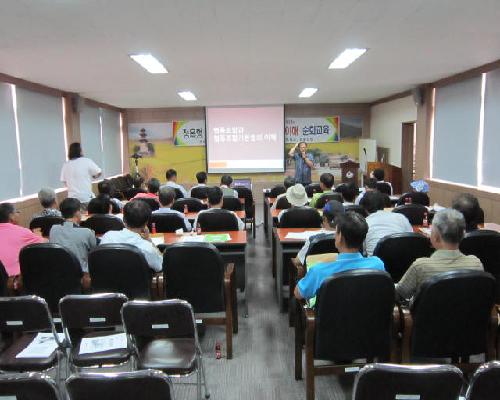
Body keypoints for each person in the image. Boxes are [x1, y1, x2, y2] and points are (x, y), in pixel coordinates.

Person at [294, 212, 385, 302]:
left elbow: (298, 294)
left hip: (330, 316)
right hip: (369, 316)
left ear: (340, 236)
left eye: (336, 231)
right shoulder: (377, 265)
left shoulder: (319, 271)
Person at [396, 208, 483, 301]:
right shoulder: (476, 264)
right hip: (467, 315)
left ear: (436, 236)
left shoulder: (421, 266)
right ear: (462, 235)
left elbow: (399, 294)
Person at [99, 201, 162, 272]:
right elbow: (160, 266)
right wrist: (149, 240)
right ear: (146, 222)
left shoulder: (108, 236)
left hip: (106, 281)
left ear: (123, 219)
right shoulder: (147, 248)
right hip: (137, 282)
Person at [49, 198, 96, 273]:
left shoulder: (53, 229)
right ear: (77, 213)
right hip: (81, 274)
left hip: (58, 272)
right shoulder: (87, 232)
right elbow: (94, 251)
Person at [361, 191, 413, 256]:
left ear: (364, 209)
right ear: (384, 205)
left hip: (375, 265)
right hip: (404, 262)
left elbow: (362, 251)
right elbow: (411, 239)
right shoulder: (401, 217)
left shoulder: (363, 224)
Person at [0, 203, 45, 277]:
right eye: (17, 212)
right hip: (16, 281)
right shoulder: (22, 232)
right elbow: (44, 242)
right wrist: (38, 235)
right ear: (11, 216)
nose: (19, 214)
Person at [296, 200, 345, 265]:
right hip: (342, 272)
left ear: (324, 218)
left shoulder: (313, 238)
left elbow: (298, 261)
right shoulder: (348, 236)